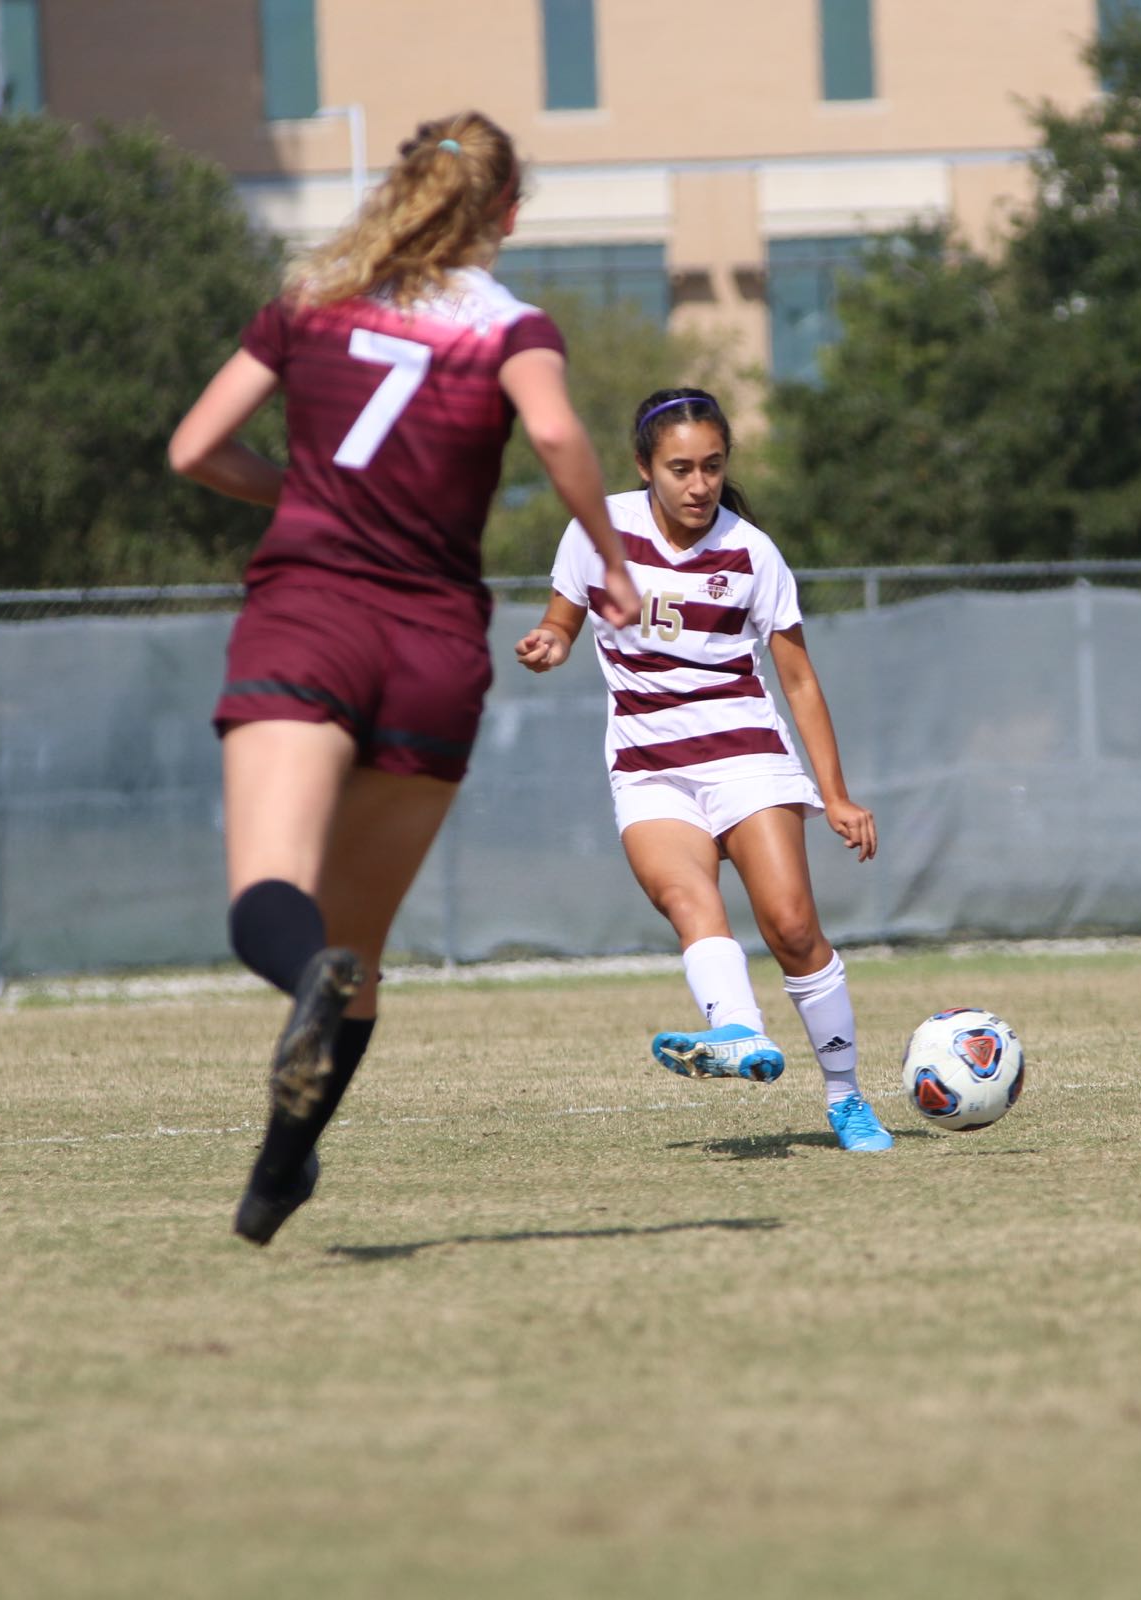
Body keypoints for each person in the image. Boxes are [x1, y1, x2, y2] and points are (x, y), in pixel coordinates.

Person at [168, 110, 640, 1246]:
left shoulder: (313, 297)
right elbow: (562, 435)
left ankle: (302, 977)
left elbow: (194, 448)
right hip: (434, 648)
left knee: (271, 905)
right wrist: (611, 565)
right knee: (361, 954)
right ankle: (279, 1173)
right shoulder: (514, 325)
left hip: (312, 617)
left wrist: (299, 493)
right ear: (506, 214)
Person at [513, 388, 893, 1152]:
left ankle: (848, 1099)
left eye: (712, 467)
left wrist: (837, 795)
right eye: (680, 468)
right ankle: (741, 1033)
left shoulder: (752, 553)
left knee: (791, 927)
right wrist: (551, 645)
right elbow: (562, 621)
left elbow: (799, 681)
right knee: (689, 900)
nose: (699, 484)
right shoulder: (599, 532)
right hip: (648, 767)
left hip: (745, 754)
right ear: (643, 468)